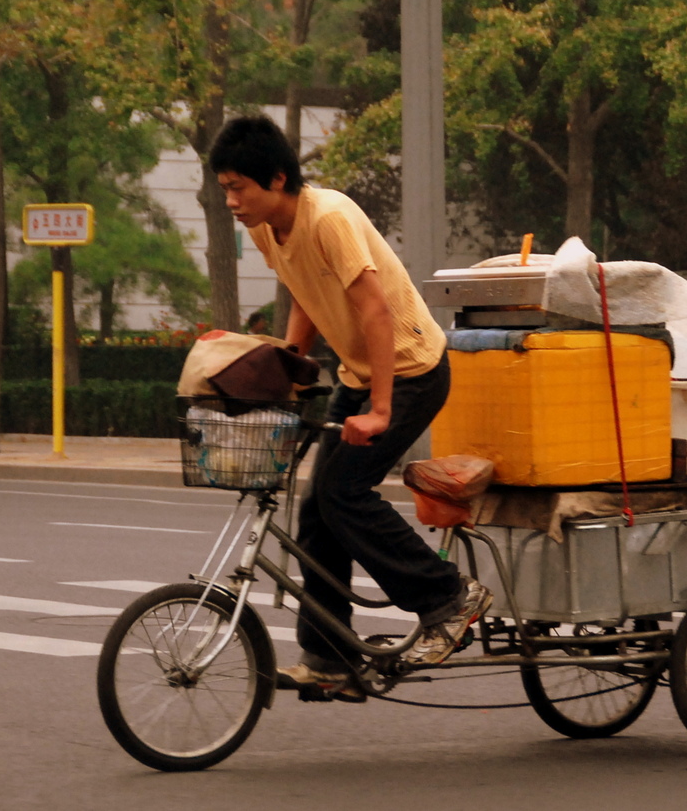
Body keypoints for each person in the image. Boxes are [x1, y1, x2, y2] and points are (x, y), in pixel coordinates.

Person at [210, 115, 491, 702]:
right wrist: (289, 366)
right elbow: (309, 295)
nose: (231, 200)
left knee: (345, 493)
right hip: (360, 374)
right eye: (225, 188)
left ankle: (449, 598)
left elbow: (375, 313)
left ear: (278, 179)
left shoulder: (329, 218)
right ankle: (329, 656)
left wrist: (382, 410)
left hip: (412, 369)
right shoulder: (268, 227)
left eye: (239, 187)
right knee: (316, 507)